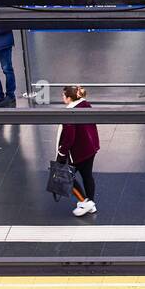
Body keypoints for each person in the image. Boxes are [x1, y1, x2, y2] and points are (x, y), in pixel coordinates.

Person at [56, 85, 100, 217]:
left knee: (64, 176)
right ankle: (91, 203)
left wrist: (62, 153)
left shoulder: (69, 113)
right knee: (87, 176)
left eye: (64, 95)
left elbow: (69, 137)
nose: (62, 97)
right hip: (90, 148)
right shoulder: (85, 104)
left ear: (69, 98)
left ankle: (85, 202)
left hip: (77, 154)